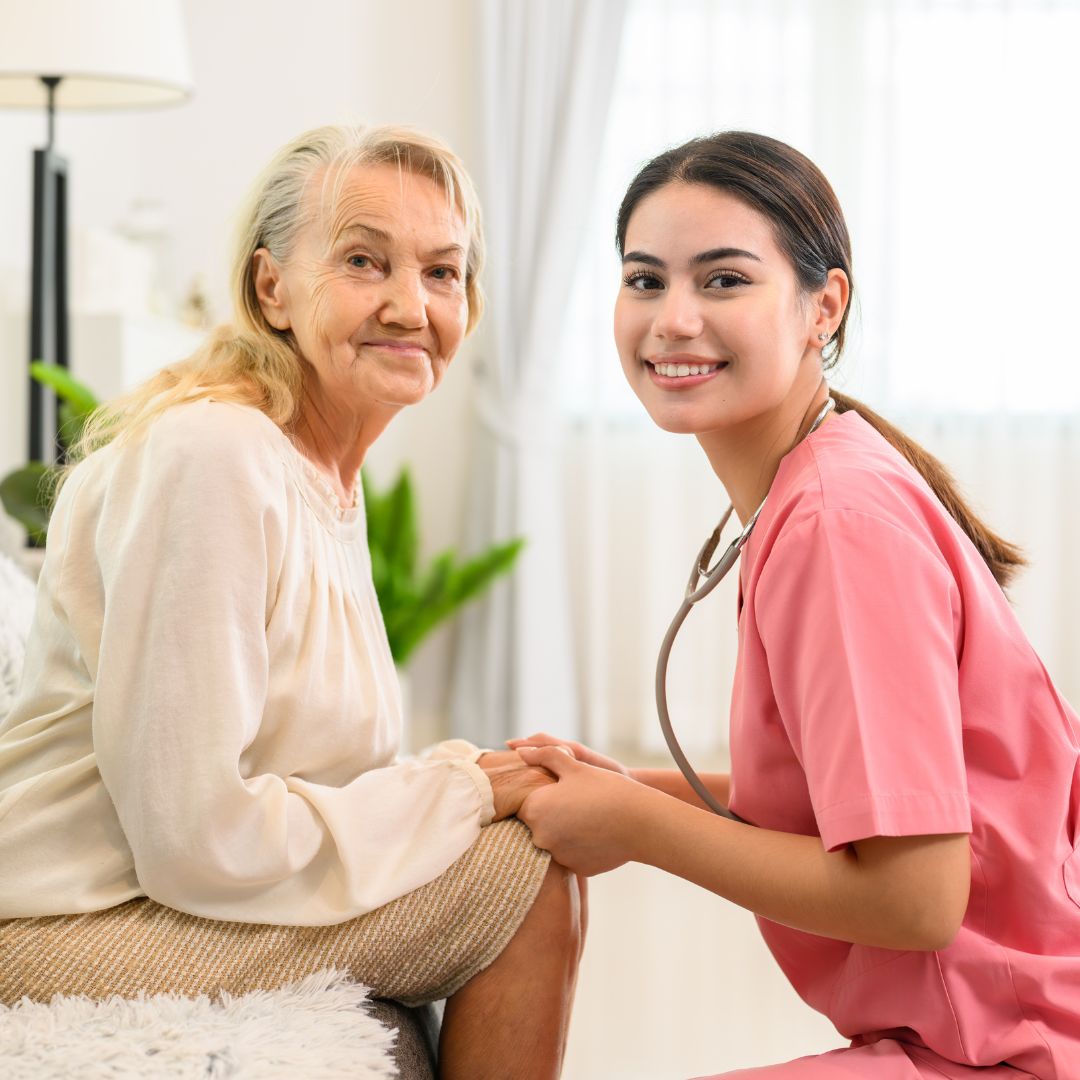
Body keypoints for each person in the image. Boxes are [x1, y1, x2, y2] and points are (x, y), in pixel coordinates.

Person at [0, 124, 582, 1080]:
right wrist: (462, 791)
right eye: (364, 260)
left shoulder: (318, 473)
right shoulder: (216, 457)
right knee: (521, 877)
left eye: (444, 272)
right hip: (57, 920)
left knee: (519, 842)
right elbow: (194, 838)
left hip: (150, 896)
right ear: (272, 287)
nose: (411, 304)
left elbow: (306, 765)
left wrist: (460, 773)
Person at [511, 131, 1080, 1078]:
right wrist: (618, 789)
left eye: (724, 281)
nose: (672, 319)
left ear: (825, 305)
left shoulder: (835, 524)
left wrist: (639, 829)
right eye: (644, 280)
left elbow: (915, 898)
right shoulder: (818, 488)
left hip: (1014, 1049)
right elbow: (854, 803)